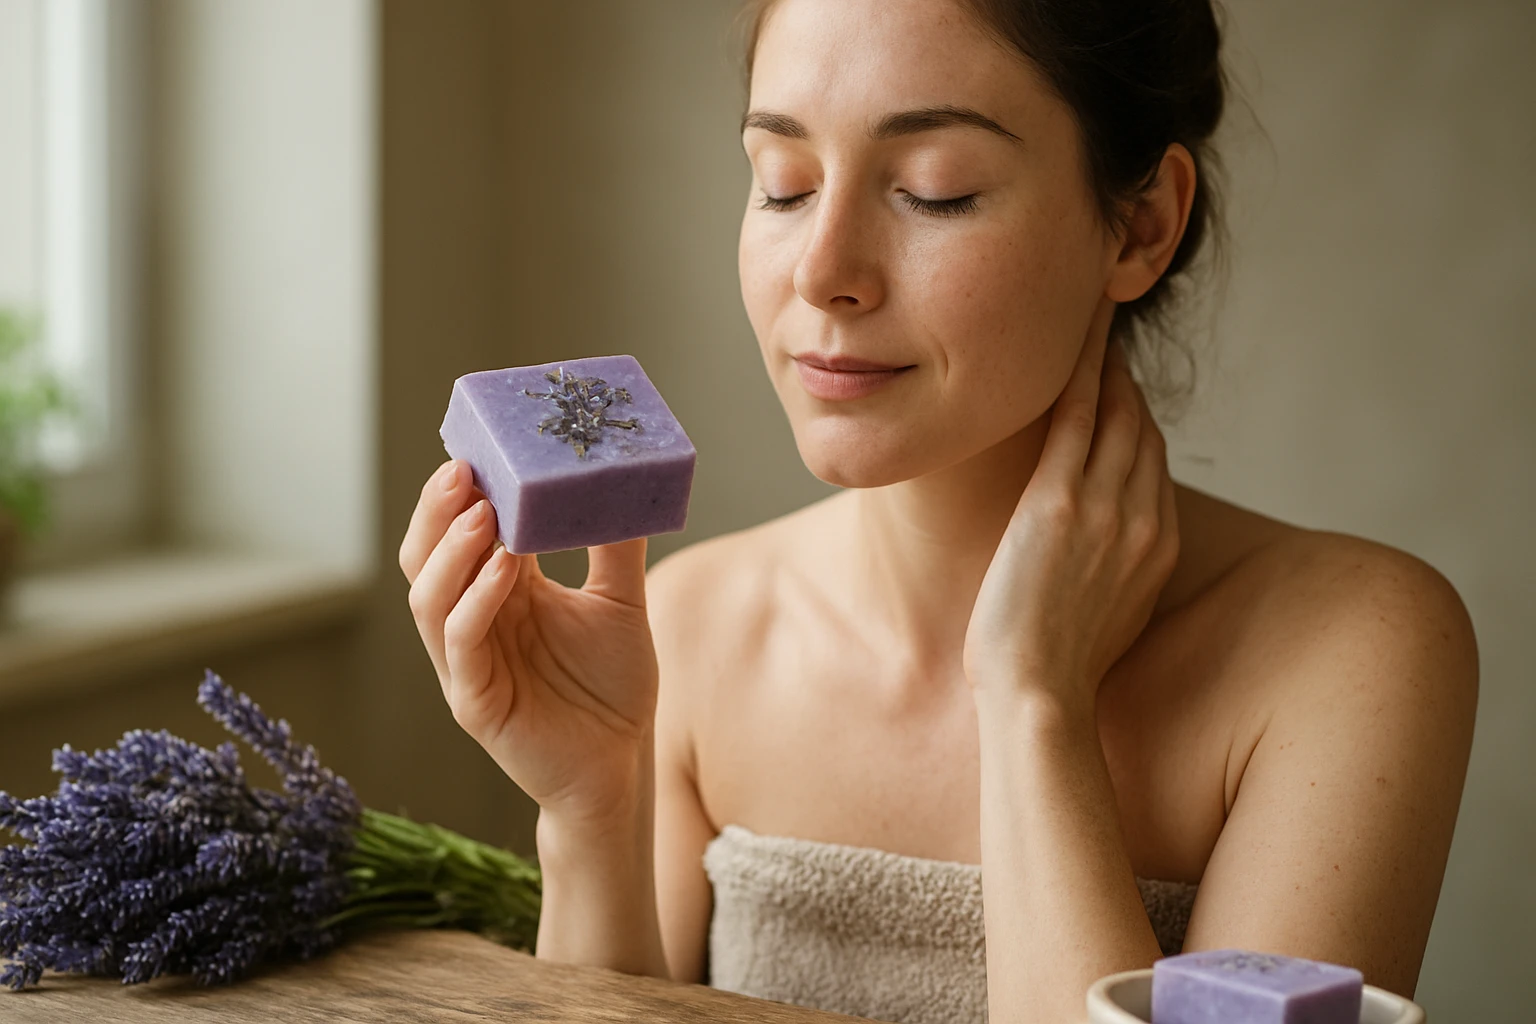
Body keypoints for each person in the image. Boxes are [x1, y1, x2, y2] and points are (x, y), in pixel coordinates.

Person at [397, 0, 1479, 1020]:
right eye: (782, 182)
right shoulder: (687, 632)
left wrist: (1033, 701)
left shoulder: (1350, 650)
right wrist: (592, 813)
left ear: (1141, 226)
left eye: (935, 188)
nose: (822, 272)